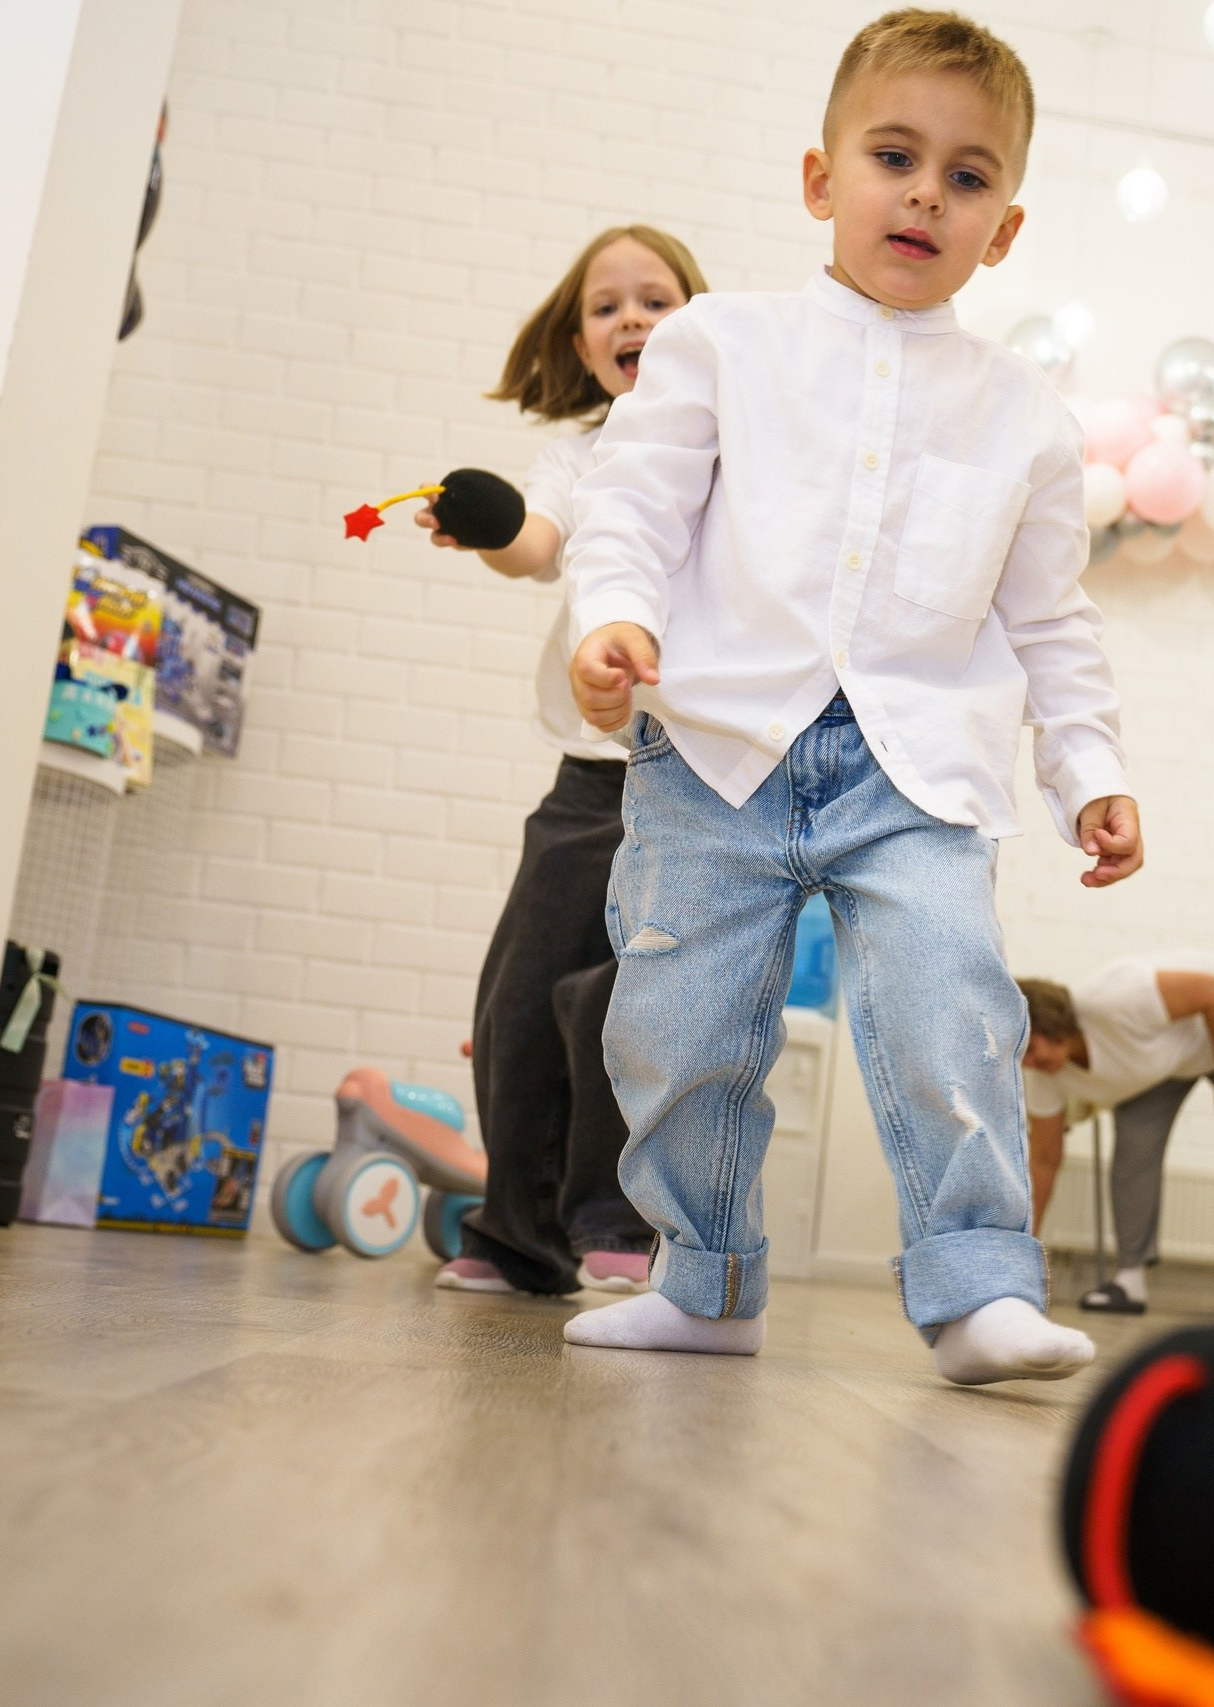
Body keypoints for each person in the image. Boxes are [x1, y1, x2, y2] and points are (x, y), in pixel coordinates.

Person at [557, 10, 1142, 1386]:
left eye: (970, 174)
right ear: (822, 179)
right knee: (677, 1027)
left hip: (918, 771)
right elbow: (630, 505)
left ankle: (980, 1283)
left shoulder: (1028, 420)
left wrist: (1090, 765)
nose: (927, 191)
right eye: (895, 154)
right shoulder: (716, 344)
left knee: (956, 1007)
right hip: (715, 747)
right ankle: (702, 1283)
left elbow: (1052, 619)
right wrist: (615, 618)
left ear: (1003, 229)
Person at [415, 225, 711, 1299]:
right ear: (581, 344)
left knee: (625, 1002)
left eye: (656, 298)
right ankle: (516, 1233)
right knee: (521, 995)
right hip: (593, 776)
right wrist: (486, 526)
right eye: (606, 307)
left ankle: (615, 1225)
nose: (631, 318)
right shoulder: (576, 460)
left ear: (702, 320)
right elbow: (535, 546)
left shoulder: (743, 452)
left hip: (700, 785)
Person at [1016, 956, 1214, 1315]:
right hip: (1161, 1066)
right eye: (1022, 1055)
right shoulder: (1041, 1075)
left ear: (1054, 1026)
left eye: (1031, 1050)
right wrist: (1022, 1254)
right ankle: (1130, 1281)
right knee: (1133, 1155)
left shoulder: (1113, 1001)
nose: (1029, 1064)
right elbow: (1044, 1160)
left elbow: (1212, 992)